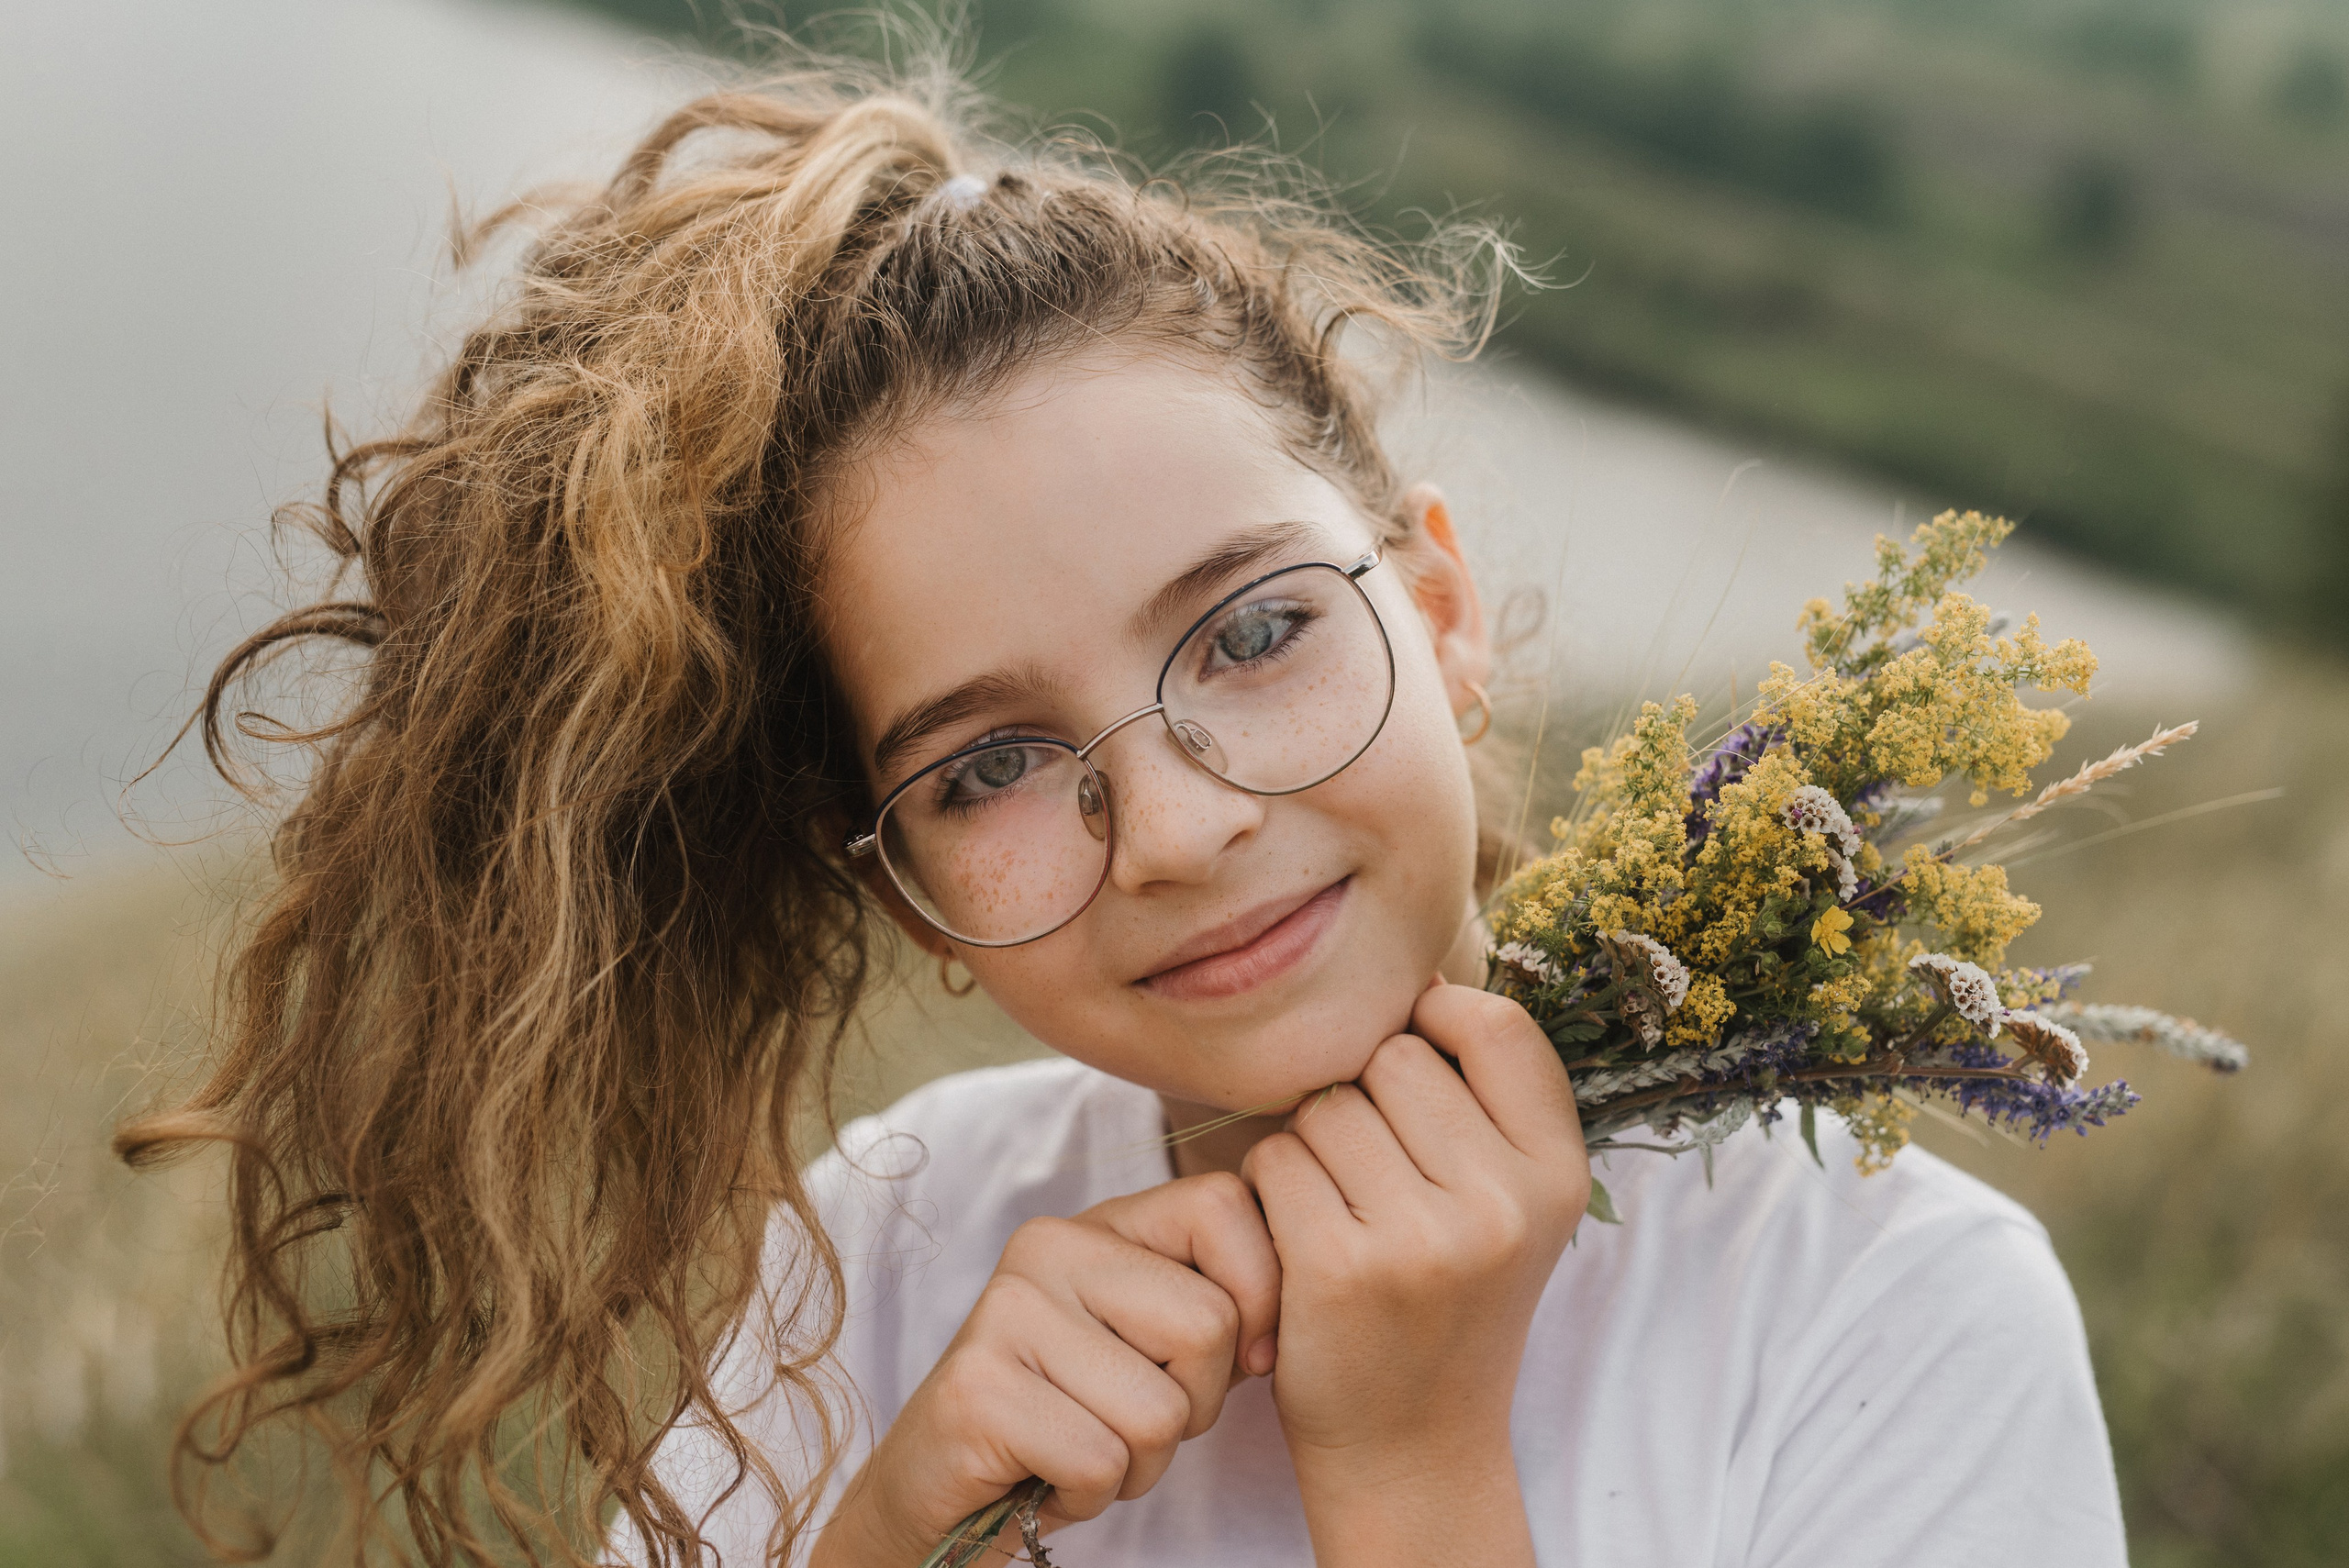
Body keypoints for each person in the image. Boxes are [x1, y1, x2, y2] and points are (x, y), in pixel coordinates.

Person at [120, 55, 2129, 1568]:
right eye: (984, 767)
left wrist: (1414, 1474)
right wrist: (885, 1531)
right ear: (910, 896)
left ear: (1435, 619)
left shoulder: (1878, 1309)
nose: (1167, 827)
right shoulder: (887, 1252)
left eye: (1253, 630)